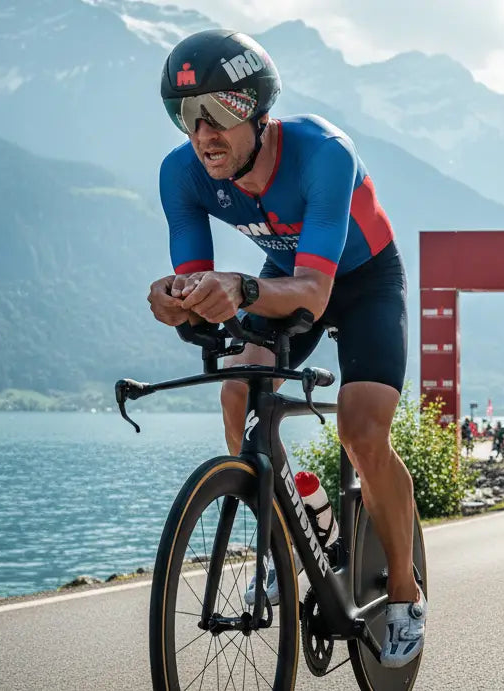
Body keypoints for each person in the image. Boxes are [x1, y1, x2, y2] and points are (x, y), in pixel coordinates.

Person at [148, 29, 424, 667]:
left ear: (258, 111)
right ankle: (280, 542)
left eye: (218, 113)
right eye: (186, 118)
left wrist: (239, 288)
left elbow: (316, 292)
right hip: (280, 278)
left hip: (360, 283)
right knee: (237, 389)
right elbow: (194, 279)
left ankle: (406, 596)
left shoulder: (323, 153)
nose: (203, 135)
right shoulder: (181, 175)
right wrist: (177, 299)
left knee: (360, 431)